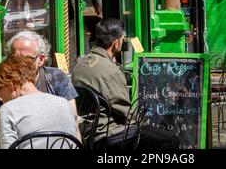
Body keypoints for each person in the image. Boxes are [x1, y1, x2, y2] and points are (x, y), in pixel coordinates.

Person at [72, 18, 179, 152]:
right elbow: (125, 113)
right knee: (170, 139)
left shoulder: (80, 63)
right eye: (122, 40)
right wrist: (147, 122)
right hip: (107, 135)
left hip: (87, 131)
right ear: (116, 44)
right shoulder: (110, 70)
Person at [1, 30, 80, 140]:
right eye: (14, 58)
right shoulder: (4, 80)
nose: (18, 63)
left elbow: (72, 117)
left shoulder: (56, 77)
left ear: (41, 60)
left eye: (26, 59)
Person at [0, 55, 77, 148]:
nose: (1, 99)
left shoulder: (8, 109)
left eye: (0, 94)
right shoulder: (64, 103)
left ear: (10, 85)